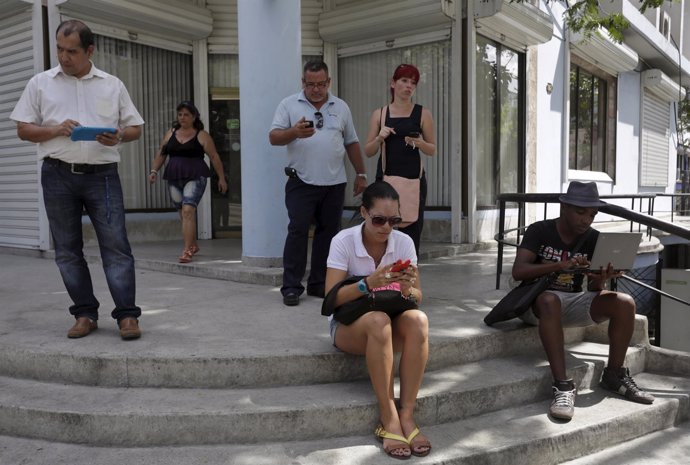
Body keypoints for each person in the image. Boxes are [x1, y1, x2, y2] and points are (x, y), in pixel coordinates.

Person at [10, 20, 145, 340]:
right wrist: (56, 129)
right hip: (57, 174)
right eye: (59, 49)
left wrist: (119, 136)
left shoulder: (112, 85)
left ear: (89, 50)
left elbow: (135, 128)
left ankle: (127, 316)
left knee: (116, 247)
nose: (63, 56)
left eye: (71, 51)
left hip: (103, 177)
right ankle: (85, 313)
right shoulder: (40, 83)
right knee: (68, 250)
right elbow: (23, 129)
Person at [512, 181, 655, 421]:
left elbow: (592, 289)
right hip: (536, 305)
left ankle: (614, 375)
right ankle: (563, 387)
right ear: (564, 207)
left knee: (625, 302)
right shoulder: (540, 230)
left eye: (591, 214)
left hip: (572, 302)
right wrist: (560, 265)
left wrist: (602, 279)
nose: (586, 220)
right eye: (580, 212)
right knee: (549, 300)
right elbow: (519, 271)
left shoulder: (593, 239)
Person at [325, 181, 431, 460]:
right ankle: (389, 417)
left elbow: (419, 297)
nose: (387, 227)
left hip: (390, 325)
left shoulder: (403, 242)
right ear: (363, 212)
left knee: (418, 320)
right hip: (350, 328)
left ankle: (407, 414)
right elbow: (330, 299)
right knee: (377, 320)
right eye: (379, 219)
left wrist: (408, 290)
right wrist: (367, 283)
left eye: (394, 220)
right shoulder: (343, 241)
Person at [269, 60, 368, 306]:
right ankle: (291, 287)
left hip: (334, 183)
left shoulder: (341, 107)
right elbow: (273, 137)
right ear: (303, 83)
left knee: (328, 236)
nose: (316, 89)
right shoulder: (289, 104)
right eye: (311, 84)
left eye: (321, 84)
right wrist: (294, 132)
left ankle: (318, 283)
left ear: (329, 82)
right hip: (300, 181)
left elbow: (352, 142)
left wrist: (361, 174)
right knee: (298, 232)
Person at [364, 64, 436, 255]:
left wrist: (418, 142)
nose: (408, 86)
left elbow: (432, 149)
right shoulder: (379, 114)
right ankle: (382, 278)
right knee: (382, 230)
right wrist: (380, 137)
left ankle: (408, 279)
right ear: (393, 83)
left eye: (413, 83)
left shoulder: (423, 113)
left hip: (414, 181)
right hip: (386, 180)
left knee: (411, 234)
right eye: (404, 81)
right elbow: (368, 151)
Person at [148, 101, 228, 263]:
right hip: (174, 176)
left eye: (186, 114)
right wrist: (154, 171)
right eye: (180, 114)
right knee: (182, 213)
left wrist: (221, 178)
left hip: (195, 175)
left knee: (188, 211)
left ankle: (186, 250)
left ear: (194, 117)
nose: (182, 118)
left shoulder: (201, 135)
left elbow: (214, 156)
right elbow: (162, 152)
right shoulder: (171, 133)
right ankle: (193, 244)